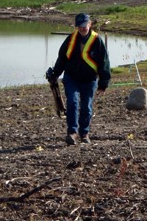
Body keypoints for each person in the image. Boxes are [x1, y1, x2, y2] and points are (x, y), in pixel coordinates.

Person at [46, 13, 111, 145]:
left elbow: (104, 63)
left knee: (86, 107)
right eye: (79, 26)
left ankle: (84, 133)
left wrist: (103, 84)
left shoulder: (97, 41)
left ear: (89, 24)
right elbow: (62, 58)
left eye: (84, 25)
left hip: (89, 80)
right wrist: (55, 74)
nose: (82, 28)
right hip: (72, 78)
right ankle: (72, 132)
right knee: (73, 102)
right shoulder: (71, 39)